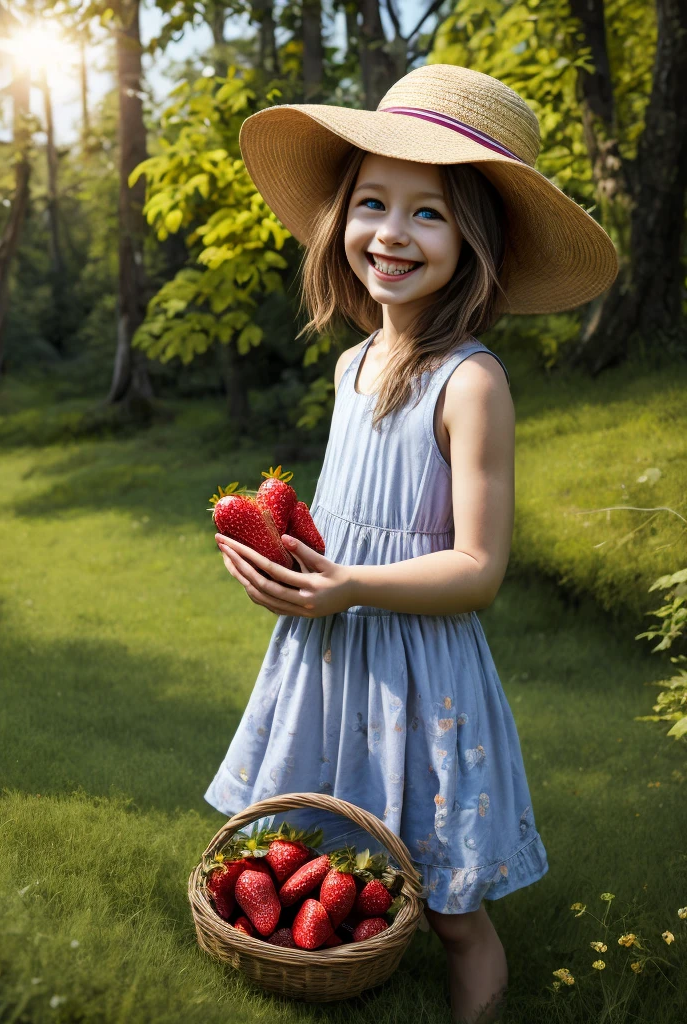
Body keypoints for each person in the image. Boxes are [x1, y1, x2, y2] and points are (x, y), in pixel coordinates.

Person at [206, 64, 617, 1024]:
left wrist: (350, 585)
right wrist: (281, 555)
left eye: (428, 214)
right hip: (330, 656)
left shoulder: (471, 384)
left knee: (449, 907)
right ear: (340, 217)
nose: (391, 233)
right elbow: (341, 523)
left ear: (474, 241)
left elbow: (477, 568)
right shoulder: (353, 363)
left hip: (420, 671)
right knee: (313, 857)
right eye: (373, 203)